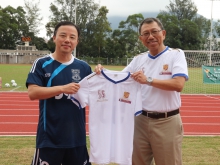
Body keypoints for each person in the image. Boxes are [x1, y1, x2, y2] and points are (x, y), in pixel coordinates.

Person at [95, 17, 189, 165]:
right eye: (145, 34)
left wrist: (148, 80)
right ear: (141, 39)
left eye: (154, 32)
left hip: (167, 121)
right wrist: (103, 71)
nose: (150, 36)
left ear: (163, 33)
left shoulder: (176, 54)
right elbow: (120, 79)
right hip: (140, 120)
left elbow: (178, 84)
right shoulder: (138, 59)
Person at [26, 21, 92, 165]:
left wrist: (100, 74)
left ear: (77, 41)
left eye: (72, 37)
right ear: (54, 37)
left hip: (77, 139)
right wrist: (62, 88)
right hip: (49, 139)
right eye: (63, 35)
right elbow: (33, 92)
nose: (67, 40)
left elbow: (96, 95)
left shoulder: (84, 67)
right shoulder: (41, 63)